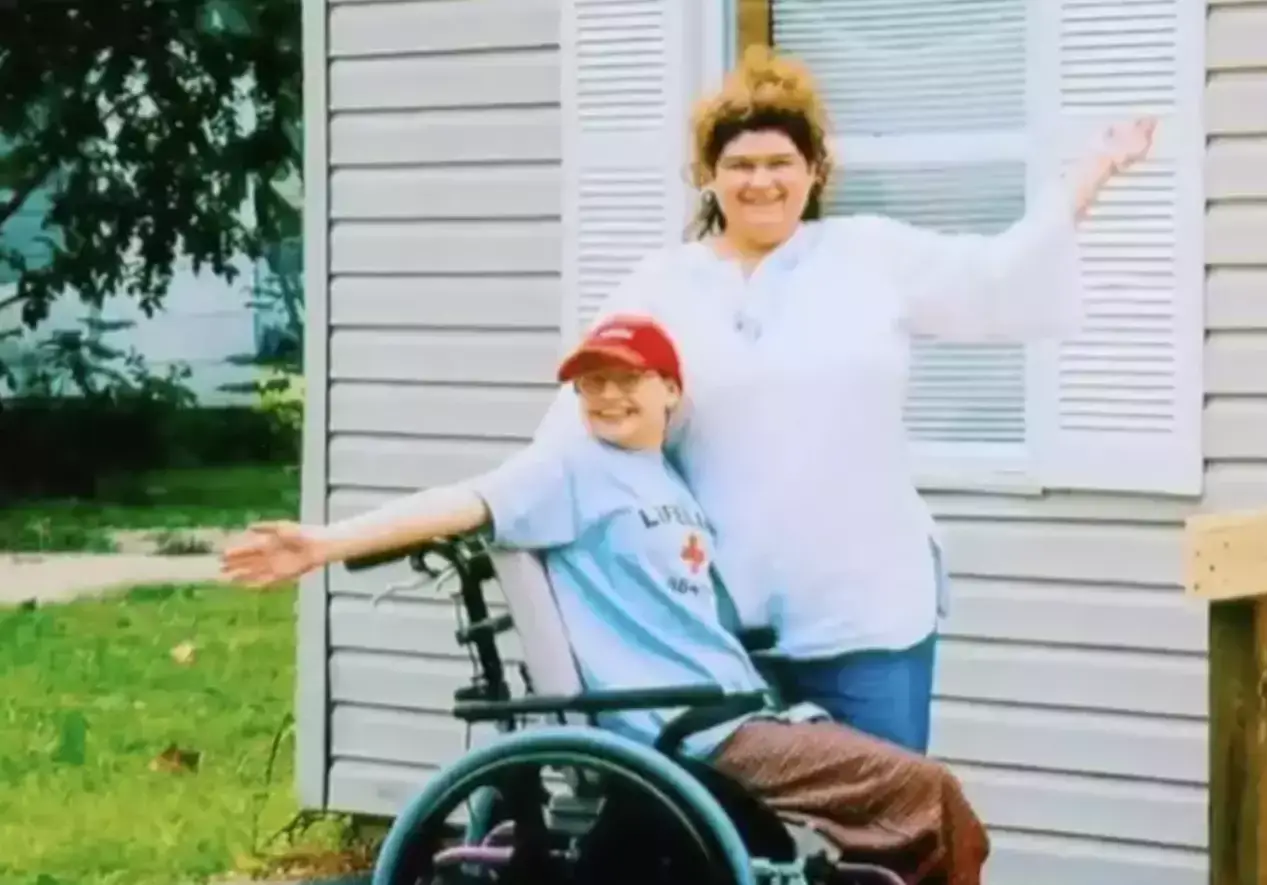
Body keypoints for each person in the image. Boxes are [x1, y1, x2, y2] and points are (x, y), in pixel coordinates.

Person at [228, 46, 1157, 754]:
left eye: (780, 162)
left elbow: (1001, 272)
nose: (761, 180)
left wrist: (1089, 175)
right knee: (746, 847)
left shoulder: (870, 257)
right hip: (723, 629)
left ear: (815, 169)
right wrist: (332, 540)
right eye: (739, 163)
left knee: (885, 828)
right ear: (708, 177)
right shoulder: (661, 283)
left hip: (869, 605)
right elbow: (554, 458)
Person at [223, 315, 991, 883]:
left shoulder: (669, 478)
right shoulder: (569, 468)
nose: (608, 395)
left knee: (887, 829)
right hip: (688, 727)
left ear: (670, 391)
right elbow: (463, 500)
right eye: (593, 382)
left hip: (737, 709)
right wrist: (324, 543)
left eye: (627, 378)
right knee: (928, 793)